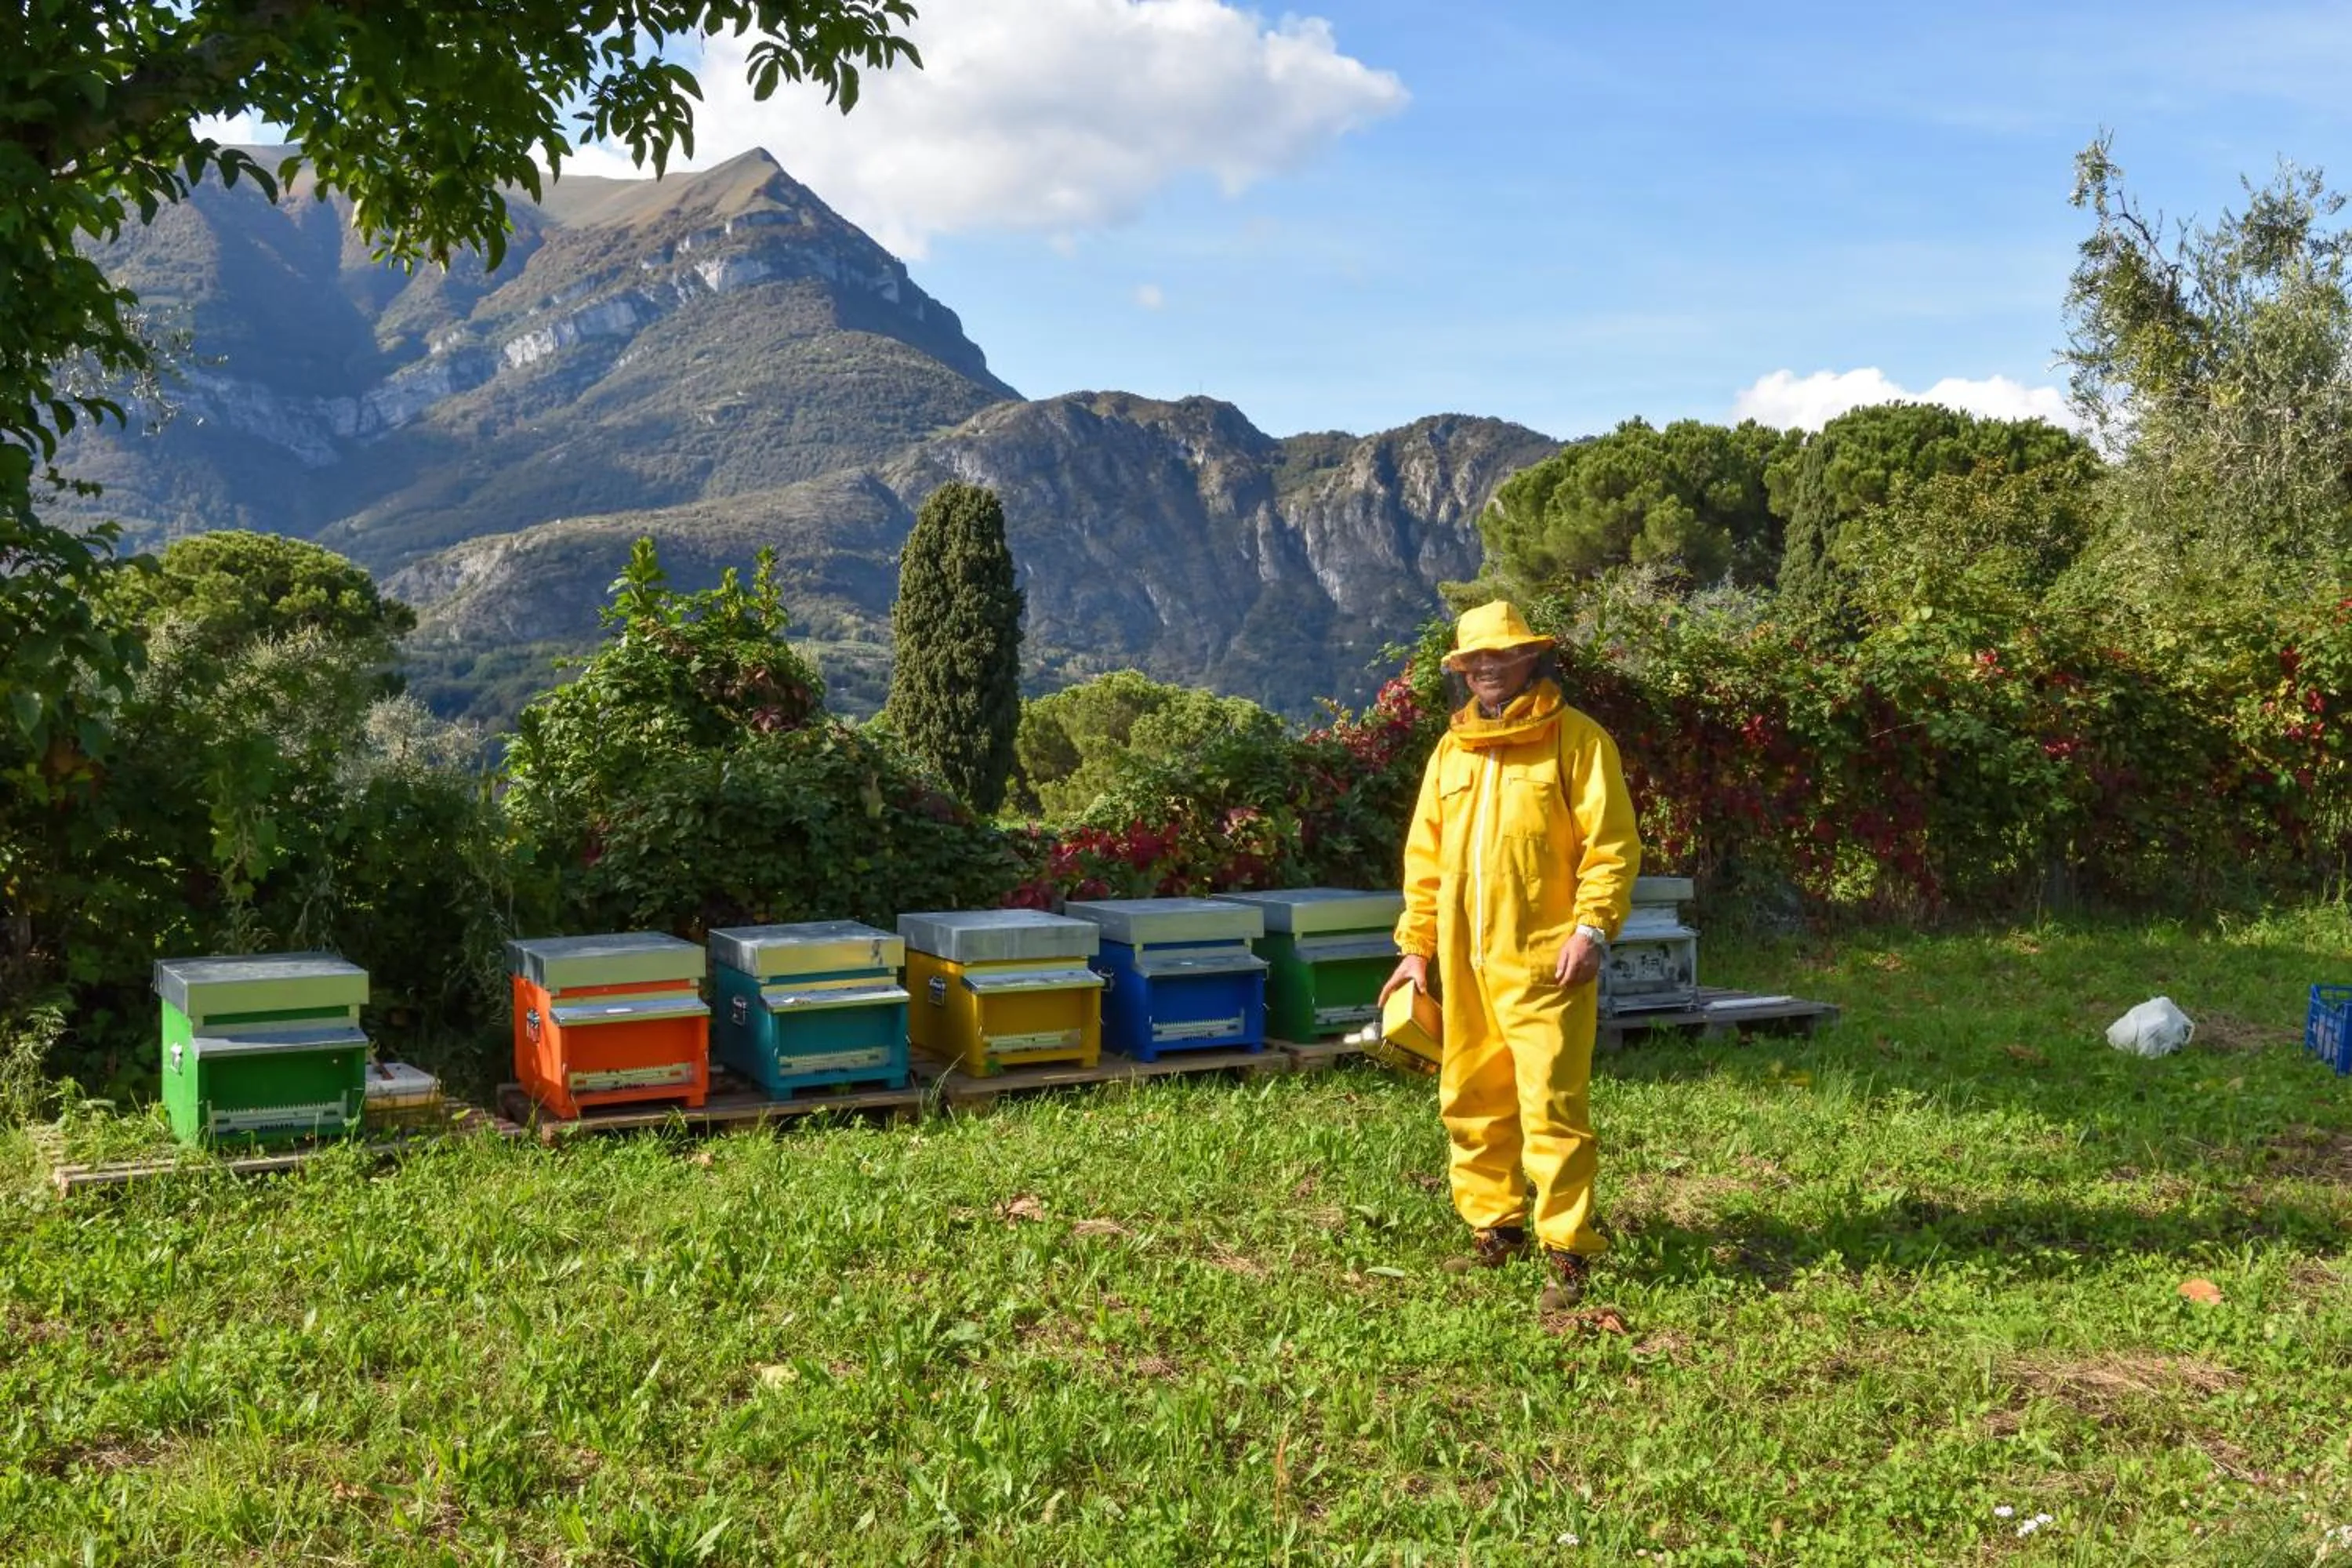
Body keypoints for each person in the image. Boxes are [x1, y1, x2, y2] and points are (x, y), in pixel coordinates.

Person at [1379, 600, 1641, 1308]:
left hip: (1545, 958)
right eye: (1473, 661)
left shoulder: (1579, 741)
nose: (1487, 670)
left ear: (1531, 658)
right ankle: (1494, 1229)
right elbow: (1425, 859)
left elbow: (1611, 844)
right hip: (1465, 962)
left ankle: (1568, 1250)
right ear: (1461, 672)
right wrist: (1416, 949)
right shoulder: (1450, 751)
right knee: (1470, 1097)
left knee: (1551, 1102)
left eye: (1501, 656)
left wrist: (1591, 930)